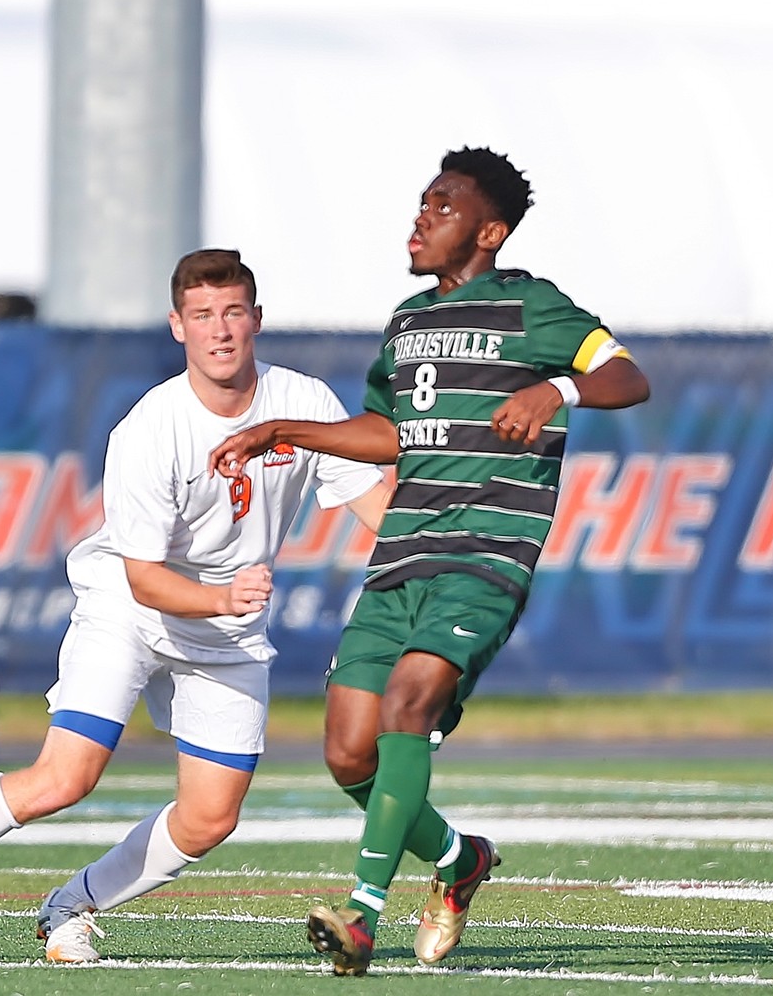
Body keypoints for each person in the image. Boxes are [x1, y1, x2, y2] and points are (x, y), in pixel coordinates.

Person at [0, 248, 391, 963]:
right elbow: (147, 579)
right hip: (132, 610)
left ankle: (73, 905)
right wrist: (223, 596)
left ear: (258, 320)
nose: (220, 330)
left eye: (234, 312)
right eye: (203, 315)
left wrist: (455, 525)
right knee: (66, 777)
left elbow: (379, 508)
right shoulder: (152, 429)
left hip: (227, 633)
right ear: (177, 326)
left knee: (211, 818)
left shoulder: (303, 402)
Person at [209, 147, 650, 976]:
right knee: (348, 752)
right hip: (400, 557)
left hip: (488, 554)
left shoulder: (534, 308)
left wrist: (558, 390)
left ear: (489, 230)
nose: (421, 216)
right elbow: (390, 436)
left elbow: (628, 377)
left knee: (409, 702)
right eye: (422, 202)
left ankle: (363, 915)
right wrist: (285, 431)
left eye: (441, 206)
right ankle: (458, 862)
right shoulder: (408, 322)